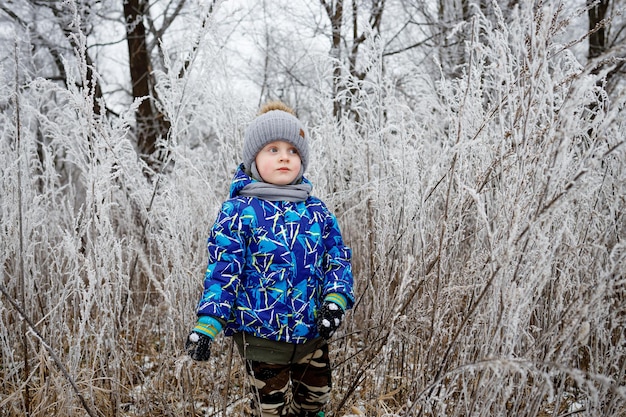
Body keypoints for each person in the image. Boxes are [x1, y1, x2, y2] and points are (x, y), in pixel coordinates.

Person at [185, 101, 354, 417]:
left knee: (316, 400)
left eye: (293, 150)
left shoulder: (317, 212)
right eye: (272, 149)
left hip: (312, 333)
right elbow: (224, 271)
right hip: (261, 336)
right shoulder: (238, 212)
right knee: (269, 408)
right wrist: (207, 324)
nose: (284, 157)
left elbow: (337, 259)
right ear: (253, 159)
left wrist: (335, 301)